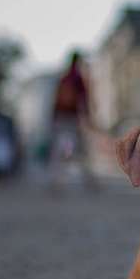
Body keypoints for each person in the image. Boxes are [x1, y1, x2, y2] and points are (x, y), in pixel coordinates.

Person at [48, 51, 97, 190]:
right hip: (72, 119)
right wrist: (88, 117)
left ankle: (56, 180)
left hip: (60, 118)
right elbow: (83, 99)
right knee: (80, 149)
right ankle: (89, 179)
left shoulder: (64, 78)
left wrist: (53, 119)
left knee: (60, 150)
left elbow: (56, 101)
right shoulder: (78, 78)